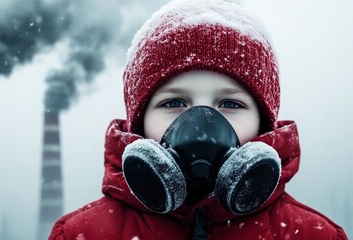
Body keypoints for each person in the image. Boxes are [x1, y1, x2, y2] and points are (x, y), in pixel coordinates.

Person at [49, 0, 348, 239]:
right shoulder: (82, 234)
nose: (202, 125)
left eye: (230, 103)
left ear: (264, 124)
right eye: (174, 102)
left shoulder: (314, 235)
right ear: (139, 124)